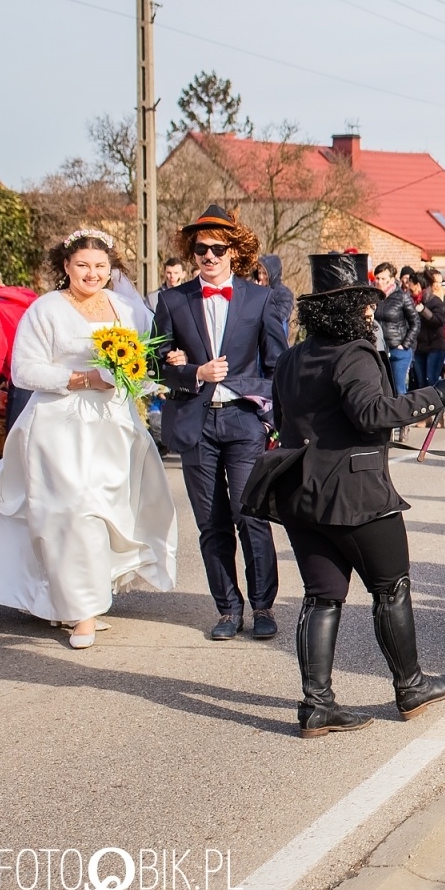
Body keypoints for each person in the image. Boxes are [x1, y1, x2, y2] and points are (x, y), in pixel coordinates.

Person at [249, 252, 445, 737]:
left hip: (302, 492)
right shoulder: (355, 354)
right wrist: (435, 395)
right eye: (365, 306)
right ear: (348, 309)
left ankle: (317, 704)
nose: (371, 313)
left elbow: (284, 420)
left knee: (323, 597)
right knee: (391, 587)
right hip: (357, 492)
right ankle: (410, 686)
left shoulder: (292, 355)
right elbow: (373, 414)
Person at [0, 230, 178, 649]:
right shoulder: (46, 309)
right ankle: (84, 612)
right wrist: (82, 378)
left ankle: (79, 596)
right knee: (69, 512)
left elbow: (145, 362)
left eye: (100, 266)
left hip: (111, 425)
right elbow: (24, 371)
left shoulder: (128, 310)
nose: (92, 273)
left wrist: (140, 375)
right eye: (83, 265)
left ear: (111, 269)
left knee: (105, 511)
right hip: (58, 426)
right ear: (66, 267)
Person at [153, 205, 289, 641]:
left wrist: (267, 413)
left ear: (234, 250)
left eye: (216, 248)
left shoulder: (260, 298)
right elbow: (156, 364)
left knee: (250, 516)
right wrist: (191, 371)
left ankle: (264, 606)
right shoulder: (173, 300)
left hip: (244, 420)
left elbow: (277, 366)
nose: (208, 256)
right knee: (211, 523)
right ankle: (228, 609)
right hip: (195, 423)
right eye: (200, 249)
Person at [0, 267, 38, 477]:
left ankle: (12, 496)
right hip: (43, 372)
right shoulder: (21, 299)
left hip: (22, 374)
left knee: (16, 442)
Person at [372, 262, 419, 399]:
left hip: (397, 350)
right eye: (377, 278)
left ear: (392, 280)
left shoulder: (402, 297)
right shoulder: (374, 297)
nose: (379, 282)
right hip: (378, 349)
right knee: (381, 389)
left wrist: (404, 345)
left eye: (383, 279)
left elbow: (415, 323)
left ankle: (402, 419)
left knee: (399, 389)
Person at [403, 270, 445, 394]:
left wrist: (424, 311)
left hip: (435, 346)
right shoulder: (410, 301)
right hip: (419, 348)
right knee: (421, 383)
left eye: (411, 289)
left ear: (418, 285)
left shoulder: (434, 301)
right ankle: (427, 412)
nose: (409, 291)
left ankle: (437, 411)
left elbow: (440, 321)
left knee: (431, 380)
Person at [258, 254, 295, 338]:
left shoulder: (284, 294)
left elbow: (276, 320)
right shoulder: (255, 290)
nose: (261, 277)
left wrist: (261, 296)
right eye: (259, 273)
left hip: (275, 343)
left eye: (264, 273)